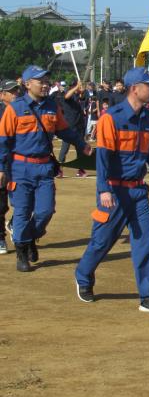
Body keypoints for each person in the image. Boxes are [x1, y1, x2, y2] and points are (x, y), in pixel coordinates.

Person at [75, 67, 149, 314]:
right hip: (115, 191)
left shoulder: (145, 116)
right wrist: (104, 190)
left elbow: (148, 151)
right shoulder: (113, 117)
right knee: (102, 242)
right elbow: (103, 157)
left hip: (139, 192)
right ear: (135, 89)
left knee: (144, 244)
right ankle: (83, 275)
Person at [0, 65, 91, 272]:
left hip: (44, 168)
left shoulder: (52, 107)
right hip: (20, 167)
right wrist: (1, 168)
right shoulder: (14, 109)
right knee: (22, 212)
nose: (45, 85)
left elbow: (64, 131)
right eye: (40, 81)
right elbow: (3, 141)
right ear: (27, 83)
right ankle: (22, 251)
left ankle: (30, 236)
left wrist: (81, 144)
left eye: (46, 81)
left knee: (46, 211)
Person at [0, 79, 22, 254]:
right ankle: (0, 238)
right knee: (0, 204)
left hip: (19, 163)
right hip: (2, 163)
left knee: (27, 200)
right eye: (11, 91)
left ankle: (15, 223)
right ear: (2, 95)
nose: (15, 94)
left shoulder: (22, 109)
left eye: (16, 91)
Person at [57, 80, 88, 177]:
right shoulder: (67, 95)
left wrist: (81, 90)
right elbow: (67, 96)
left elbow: (83, 98)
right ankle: (59, 169)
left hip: (79, 126)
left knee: (80, 149)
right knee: (64, 149)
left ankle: (81, 169)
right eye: (78, 86)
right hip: (69, 127)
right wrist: (76, 87)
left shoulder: (80, 96)